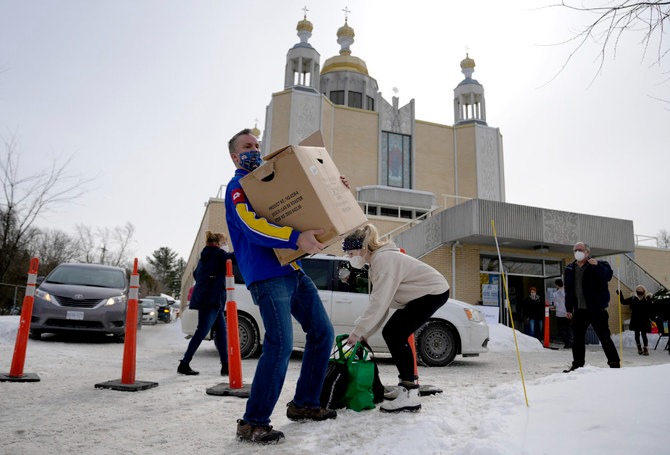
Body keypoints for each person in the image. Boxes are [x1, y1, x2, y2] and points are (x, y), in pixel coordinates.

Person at [225, 128, 339, 444]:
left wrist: (333, 190)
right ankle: (252, 422)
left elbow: (300, 206)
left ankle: (305, 404)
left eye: (257, 145)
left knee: (322, 332)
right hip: (267, 274)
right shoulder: (238, 187)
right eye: (247, 146)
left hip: (293, 269)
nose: (255, 150)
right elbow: (250, 225)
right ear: (235, 156)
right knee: (280, 344)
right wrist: (293, 237)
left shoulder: (268, 186)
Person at [342, 223, 450, 413]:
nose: (350, 259)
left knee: (395, 334)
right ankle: (405, 389)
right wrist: (365, 334)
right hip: (424, 294)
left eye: (351, 254)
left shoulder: (383, 261)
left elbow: (378, 304)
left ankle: (410, 394)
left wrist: (357, 332)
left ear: (363, 248)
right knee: (393, 333)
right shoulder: (377, 262)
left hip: (433, 292)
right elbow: (382, 305)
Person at [178, 231, 233, 376]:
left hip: (209, 298)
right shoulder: (218, 254)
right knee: (202, 331)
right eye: (225, 242)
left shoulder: (205, 256)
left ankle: (226, 366)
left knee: (221, 332)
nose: (226, 245)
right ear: (219, 243)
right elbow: (234, 258)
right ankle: (184, 363)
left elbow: (196, 274)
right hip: (211, 299)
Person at [563, 242, 620, 372]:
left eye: (580, 250)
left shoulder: (599, 264)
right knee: (577, 339)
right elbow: (569, 290)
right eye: (575, 250)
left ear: (587, 252)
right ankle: (577, 365)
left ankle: (614, 363)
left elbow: (608, 276)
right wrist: (568, 308)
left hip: (596, 310)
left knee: (604, 337)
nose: (577, 252)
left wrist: (598, 266)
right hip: (579, 310)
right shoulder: (570, 268)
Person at [618, 284, 653, 355]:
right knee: (637, 334)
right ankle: (639, 347)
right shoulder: (633, 298)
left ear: (644, 290)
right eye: (638, 289)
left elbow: (651, 309)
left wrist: (651, 317)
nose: (639, 290)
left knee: (644, 334)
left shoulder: (647, 298)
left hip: (644, 319)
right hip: (635, 319)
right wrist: (620, 294)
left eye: (641, 289)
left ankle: (645, 348)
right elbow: (623, 302)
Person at [552, 278, 572, 349]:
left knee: (562, 329)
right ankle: (570, 342)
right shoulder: (567, 292)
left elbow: (554, 305)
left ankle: (566, 343)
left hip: (559, 313)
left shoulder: (555, 294)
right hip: (567, 312)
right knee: (568, 328)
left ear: (557, 285)